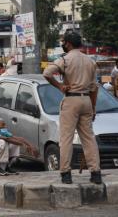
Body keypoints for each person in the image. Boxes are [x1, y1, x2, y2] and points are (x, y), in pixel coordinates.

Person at [43, 31, 102, 184]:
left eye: (64, 42)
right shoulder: (90, 61)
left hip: (71, 100)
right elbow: (95, 88)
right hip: (87, 101)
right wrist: (93, 108)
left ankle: (66, 174)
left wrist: (60, 86)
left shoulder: (65, 59)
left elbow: (47, 73)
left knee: (66, 139)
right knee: (89, 138)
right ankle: (95, 173)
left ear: (68, 44)